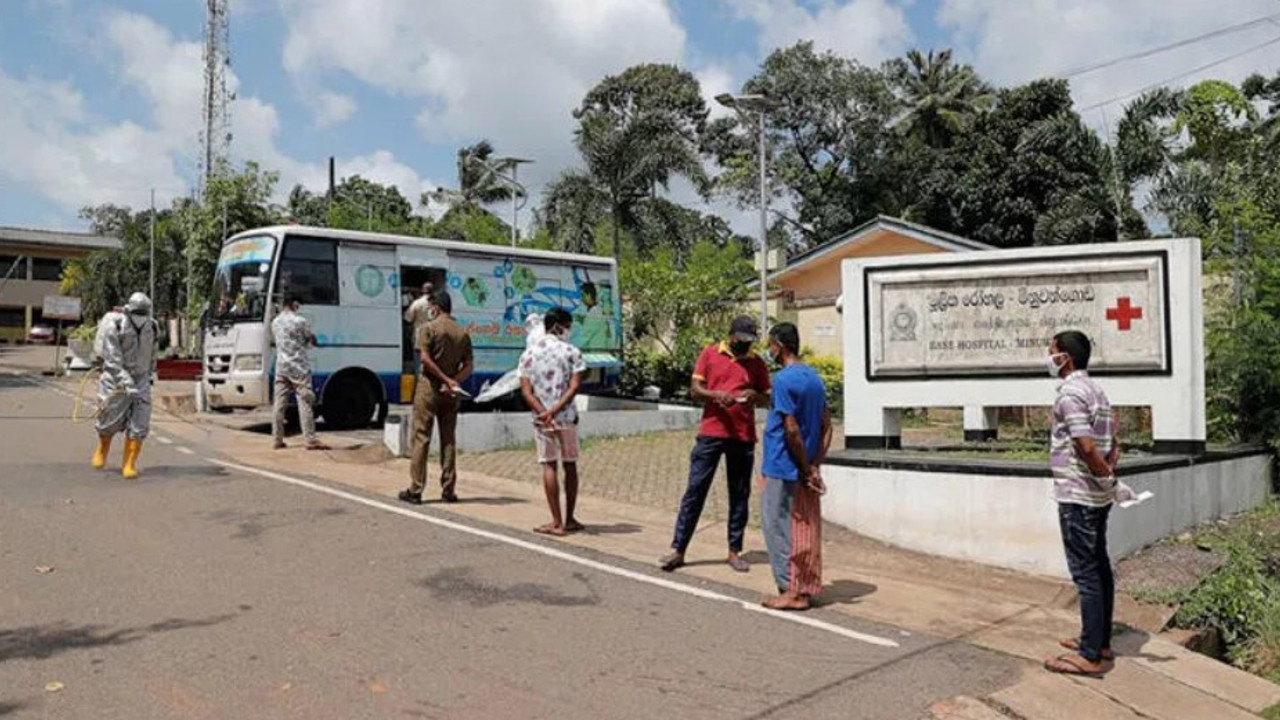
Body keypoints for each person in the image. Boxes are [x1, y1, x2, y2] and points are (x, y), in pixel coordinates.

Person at [660, 316, 771, 573]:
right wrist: (715, 395)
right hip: (711, 432)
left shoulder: (756, 364)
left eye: (749, 341)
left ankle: (734, 551)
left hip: (742, 436)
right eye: (741, 340)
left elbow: (767, 398)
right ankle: (679, 550)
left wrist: (754, 396)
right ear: (731, 335)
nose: (745, 346)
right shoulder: (710, 353)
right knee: (696, 490)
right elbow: (695, 389)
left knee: (739, 494)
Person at [1043, 330, 1122, 678]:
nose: (1048, 357)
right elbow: (1114, 442)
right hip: (1097, 496)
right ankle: (1099, 641)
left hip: (1079, 495)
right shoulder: (1097, 391)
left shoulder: (1070, 395)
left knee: (1085, 573)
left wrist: (1105, 476)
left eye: (1051, 352)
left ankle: (1091, 655)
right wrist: (1109, 476)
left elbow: (1085, 446)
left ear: (1065, 359)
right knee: (1099, 567)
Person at [759, 322, 832, 611]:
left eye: (771, 345)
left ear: (780, 345)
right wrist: (815, 464)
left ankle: (790, 590)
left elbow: (790, 429)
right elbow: (827, 425)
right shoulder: (814, 378)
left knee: (778, 528)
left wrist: (803, 467)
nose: (769, 350)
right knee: (805, 529)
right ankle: (805, 587)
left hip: (782, 465)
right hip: (805, 467)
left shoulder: (783, 380)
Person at [400, 290, 473, 505]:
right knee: (448, 438)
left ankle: (416, 489)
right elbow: (469, 365)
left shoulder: (428, 328)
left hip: (430, 387)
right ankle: (449, 489)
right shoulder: (462, 332)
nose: (429, 309)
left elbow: (425, 359)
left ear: (436, 308)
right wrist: (453, 381)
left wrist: (443, 379)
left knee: (421, 436)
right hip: (450, 393)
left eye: (431, 306)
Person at [519, 307, 586, 536]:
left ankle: (556, 521)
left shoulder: (528, 354)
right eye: (568, 326)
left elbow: (526, 391)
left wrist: (544, 412)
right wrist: (557, 409)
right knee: (570, 465)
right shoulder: (572, 352)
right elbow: (575, 386)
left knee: (549, 464)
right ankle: (569, 518)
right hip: (566, 416)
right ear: (559, 326)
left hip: (541, 419)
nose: (569, 330)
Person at [91, 292, 157, 479]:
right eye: (137, 312)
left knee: (140, 422)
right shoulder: (116, 326)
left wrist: (150, 374)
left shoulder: (152, 327)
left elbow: (152, 352)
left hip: (141, 379)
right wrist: (126, 383)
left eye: (144, 312)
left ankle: (129, 464)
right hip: (115, 379)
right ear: (128, 310)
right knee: (108, 420)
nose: (140, 316)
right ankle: (102, 449)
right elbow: (112, 360)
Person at [270, 295, 328, 451]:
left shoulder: (274, 323)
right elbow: (310, 339)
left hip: (281, 366)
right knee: (304, 400)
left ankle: (277, 439)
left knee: (279, 404)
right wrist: (316, 342)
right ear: (294, 304)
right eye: (298, 304)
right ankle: (310, 439)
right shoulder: (300, 321)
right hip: (298, 367)